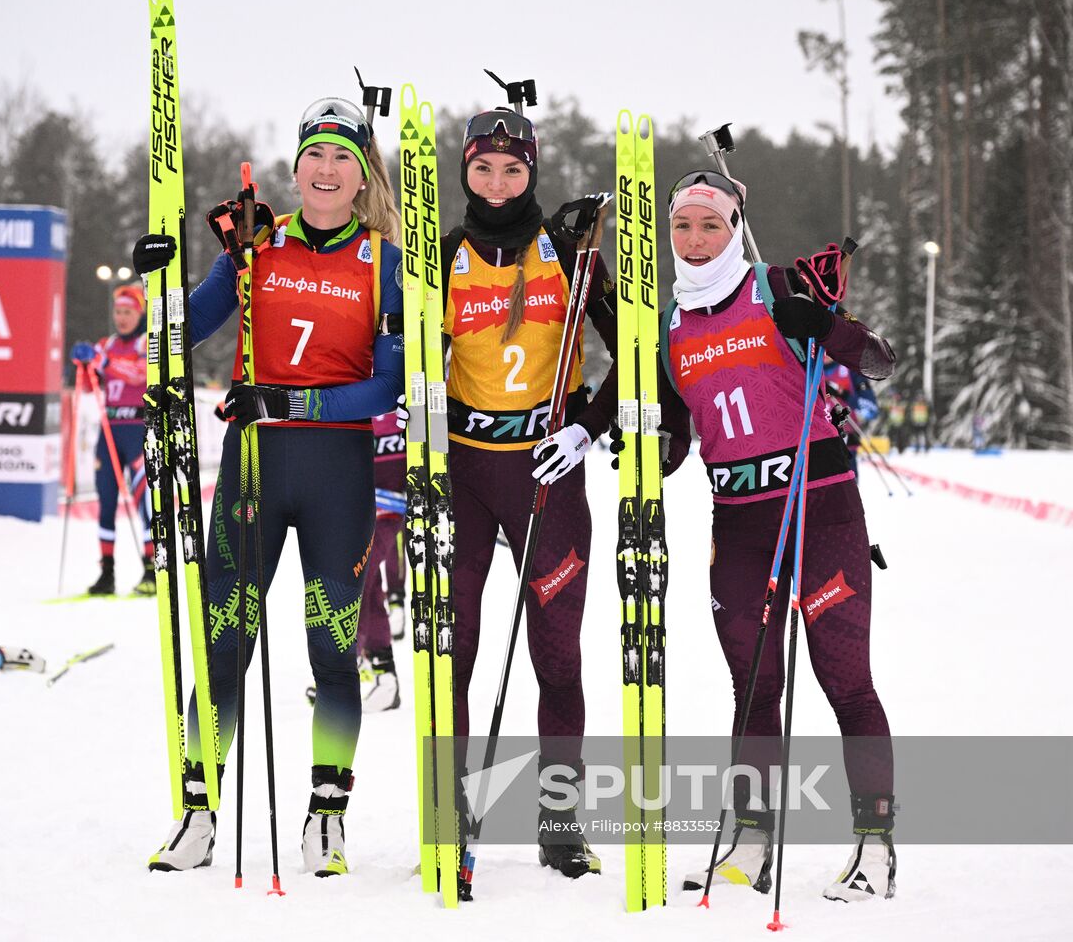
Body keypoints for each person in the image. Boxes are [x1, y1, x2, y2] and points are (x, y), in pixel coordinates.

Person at [132, 96, 403, 877]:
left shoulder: (382, 260)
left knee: (331, 647)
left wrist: (289, 401)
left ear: (362, 176)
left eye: (342, 158)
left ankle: (327, 814)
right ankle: (198, 808)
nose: (326, 170)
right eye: (315, 155)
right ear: (295, 167)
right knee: (224, 643)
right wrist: (161, 276)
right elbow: (179, 332)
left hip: (336, 475)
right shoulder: (255, 243)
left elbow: (385, 389)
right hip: (253, 473)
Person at [654, 172, 897, 902]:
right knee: (754, 685)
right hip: (738, 519)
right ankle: (752, 842)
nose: (696, 242)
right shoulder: (669, 326)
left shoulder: (780, 286)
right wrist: (646, 453)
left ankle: (877, 846)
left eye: (711, 226)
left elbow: (878, 360)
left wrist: (826, 329)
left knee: (845, 681)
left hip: (818, 506)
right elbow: (676, 435)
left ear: (734, 228)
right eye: (683, 227)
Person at [438, 105, 617, 880]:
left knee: (558, 657)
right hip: (468, 476)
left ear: (533, 171)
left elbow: (631, 353)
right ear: (465, 172)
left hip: (550, 474)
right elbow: (411, 360)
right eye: (484, 169)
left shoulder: (569, 255)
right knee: (456, 650)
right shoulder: (441, 255)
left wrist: (585, 425)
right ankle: (450, 808)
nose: (499, 184)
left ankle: (559, 818)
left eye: (514, 170)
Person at [69, 284, 155, 597]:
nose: (122, 318)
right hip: (110, 430)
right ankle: (106, 571)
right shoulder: (107, 344)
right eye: (118, 312)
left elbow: (139, 374)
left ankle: (151, 569)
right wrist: (84, 366)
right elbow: (91, 386)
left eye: (128, 312)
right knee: (105, 502)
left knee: (144, 502)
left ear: (139, 313)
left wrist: (104, 364)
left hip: (138, 430)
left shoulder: (146, 342)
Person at [355, 409, 407, 712]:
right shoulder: (352, 385)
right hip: (351, 503)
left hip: (391, 504)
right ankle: (383, 675)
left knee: (363, 575)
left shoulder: (404, 380)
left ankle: (357, 660)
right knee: (365, 583)